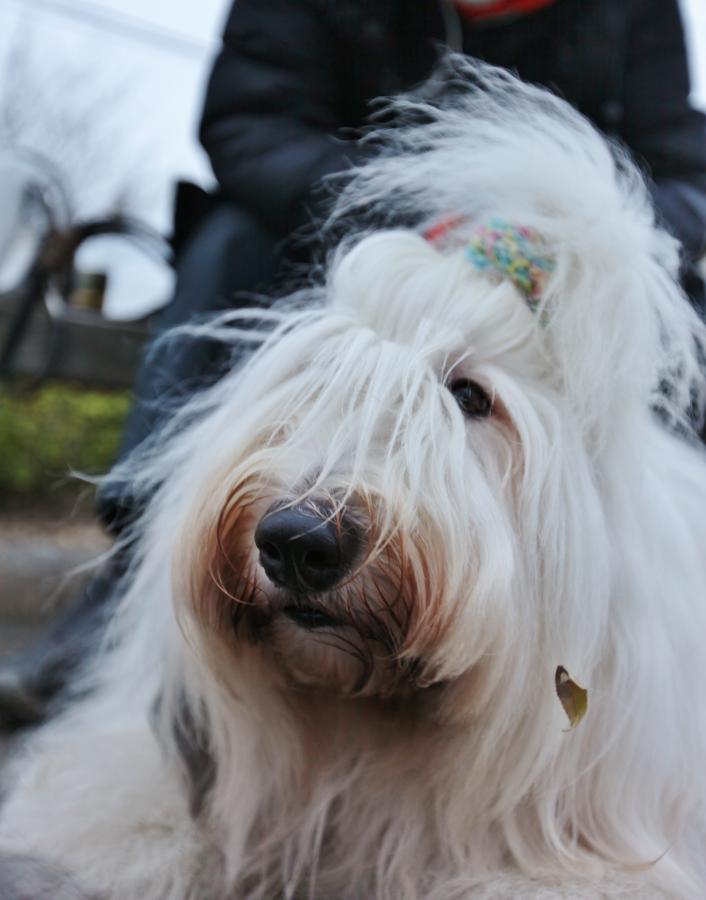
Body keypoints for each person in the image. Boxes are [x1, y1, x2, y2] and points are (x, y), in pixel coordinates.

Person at [1, 0, 705, 724]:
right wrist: (413, 209)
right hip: (327, 242)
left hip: (549, 295)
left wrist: (582, 240)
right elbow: (248, 122)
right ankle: (131, 584)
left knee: (690, 323)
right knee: (227, 248)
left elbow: (690, 176)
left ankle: (654, 618)